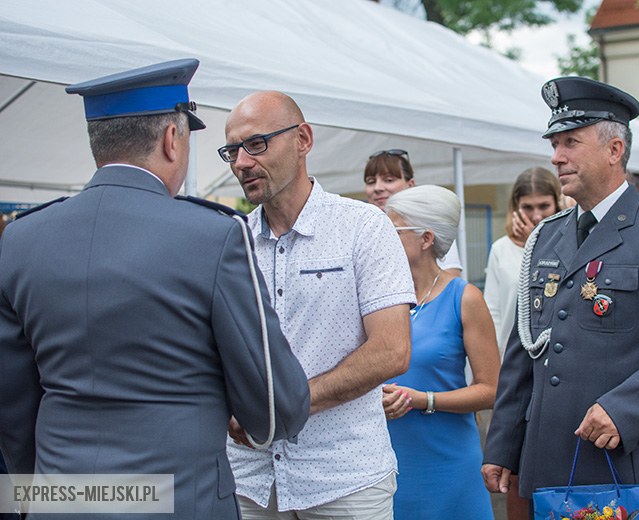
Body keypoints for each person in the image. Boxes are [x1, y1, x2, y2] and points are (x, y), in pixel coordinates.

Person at [0, 60, 310, 520]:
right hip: (180, 500)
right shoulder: (213, 234)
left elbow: (13, 402)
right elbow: (276, 409)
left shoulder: (21, 238)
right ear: (172, 139)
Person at [481, 76, 639, 520]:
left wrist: (624, 408)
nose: (556, 156)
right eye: (554, 143)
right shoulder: (546, 236)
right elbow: (526, 349)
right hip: (548, 465)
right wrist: (503, 444)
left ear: (615, 150)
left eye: (571, 142)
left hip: (623, 465)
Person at [221, 91, 416, 519]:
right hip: (250, 482)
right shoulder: (229, 241)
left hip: (344, 481)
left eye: (256, 144)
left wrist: (281, 408)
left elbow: (392, 350)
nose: (241, 162)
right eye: (232, 150)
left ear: (303, 139)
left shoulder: (362, 227)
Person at [381, 185, 500, 520]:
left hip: (448, 459)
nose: (383, 238)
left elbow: (491, 389)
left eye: (394, 230)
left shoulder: (464, 298)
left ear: (426, 238)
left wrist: (423, 399)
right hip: (386, 458)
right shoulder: (380, 298)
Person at [482, 166, 561, 520]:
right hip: (518, 368)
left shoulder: (567, 243)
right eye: (527, 207)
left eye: (544, 205)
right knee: (517, 470)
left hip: (555, 366)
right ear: (515, 207)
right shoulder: (501, 249)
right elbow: (496, 313)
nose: (536, 215)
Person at [364, 149, 463, 276]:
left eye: (389, 180)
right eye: (371, 182)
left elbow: (450, 285)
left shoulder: (429, 221)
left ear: (410, 184)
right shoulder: (362, 229)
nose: (378, 188)